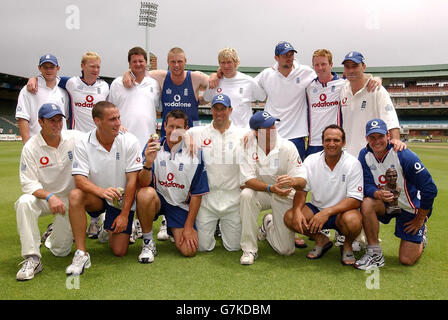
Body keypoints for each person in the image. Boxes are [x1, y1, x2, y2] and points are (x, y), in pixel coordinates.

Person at [25, 52, 110, 238]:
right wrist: (33, 78)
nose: (95, 70)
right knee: (78, 183)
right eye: (91, 66)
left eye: (98, 66)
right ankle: (80, 224)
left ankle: (101, 219)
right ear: (82, 66)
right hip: (77, 142)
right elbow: (50, 75)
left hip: (99, 140)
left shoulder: (105, 86)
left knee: (99, 179)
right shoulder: (70, 83)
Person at [65, 101, 151, 275]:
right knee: (75, 195)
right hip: (98, 197)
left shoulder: (129, 140)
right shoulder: (83, 142)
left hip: (120, 201)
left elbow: (132, 182)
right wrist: (101, 192)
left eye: (118, 118)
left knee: (119, 251)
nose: (118, 123)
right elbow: (80, 180)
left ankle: (108, 227)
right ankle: (81, 253)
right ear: (97, 121)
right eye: (112, 119)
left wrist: (125, 215)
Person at [355, 118, 438, 270]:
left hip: (409, 205)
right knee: (367, 202)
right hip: (385, 203)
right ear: (367, 138)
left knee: (406, 259)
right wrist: (377, 193)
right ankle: (375, 254)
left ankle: (421, 234)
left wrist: (420, 218)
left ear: (388, 136)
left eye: (380, 136)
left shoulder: (403, 155)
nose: (376, 141)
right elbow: (365, 184)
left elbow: (429, 188)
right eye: (372, 137)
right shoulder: (364, 155)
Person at [15, 103, 81, 280]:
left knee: (61, 252)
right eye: (52, 121)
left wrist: (118, 128)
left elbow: (97, 136)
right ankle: (32, 257)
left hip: (68, 202)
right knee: (24, 202)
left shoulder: (74, 137)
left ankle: (52, 237)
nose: (57, 124)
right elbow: (28, 183)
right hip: (45, 199)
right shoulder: (31, 147)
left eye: (60, 120)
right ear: (40, 122)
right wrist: (49, 196)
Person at [284, 125, 364, 265]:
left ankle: (347, 245)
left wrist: (327, 212)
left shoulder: (353, 163)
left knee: (354, 221)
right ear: (322, 142)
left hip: (342, 213)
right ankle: (321, 240)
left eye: (336, 140)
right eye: (327, 140)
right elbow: (302, 191)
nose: (331, 144)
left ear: (343, 143)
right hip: (317, 208)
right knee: (290, 217)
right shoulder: (311, 160)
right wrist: (297, 211)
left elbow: (355, 200)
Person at [136, 109, 209, 257]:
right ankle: (148, 242)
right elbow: (143, 182)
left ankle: (172, 228)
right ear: (164, 126)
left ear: (186, 130)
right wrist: (148, 163)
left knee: (189, 251)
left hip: (179, 205)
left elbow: (197, 194)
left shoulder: (196, 154)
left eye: (179, 128)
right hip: (158, 200)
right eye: (171, 126)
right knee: (144, 194)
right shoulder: (153, 147)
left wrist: (188, 226)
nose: (174, 131)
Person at [239, 111, 307, 265]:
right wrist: (270, 188)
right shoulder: (248, 145)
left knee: (286, 250)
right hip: (262, 192)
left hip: (284, 193)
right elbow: (247, 180)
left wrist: (293, 180)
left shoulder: (287, 146)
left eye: (273, 125)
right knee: (246, 195)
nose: (273, 129)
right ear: (256, 132)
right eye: (267, 128)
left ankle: (267, 223)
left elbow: (303, 181)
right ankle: (249, 250)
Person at [187, 94, 248, 252]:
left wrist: (254, 136)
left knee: (234, 247)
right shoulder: (198, 132)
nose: (219, 112)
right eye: (216, 108)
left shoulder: (243, 134)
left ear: (230, 110)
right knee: (201, 247)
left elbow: (264, 138)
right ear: (211, 109)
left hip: (232, 198)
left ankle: (265, 224)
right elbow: (180, 133)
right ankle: (214, 227)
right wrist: (188, 140)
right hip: (207, 198)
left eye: (223, 109)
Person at [123, 47, 210, 137]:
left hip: (191, 138)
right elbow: (140, 71)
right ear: (168, 62)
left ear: (185, 61)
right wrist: (128, 72)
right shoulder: (161, 77)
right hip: (168, 138)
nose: (176, 65)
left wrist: (204, 99)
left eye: (179, 61)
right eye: (173, 62)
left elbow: (215, 82)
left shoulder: (195, 77)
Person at [253, 41, 316, 161]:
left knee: (295, 175)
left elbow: (326, 79)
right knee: (266, 174)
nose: (289, 58)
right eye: (285, 55)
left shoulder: (305, 72)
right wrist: (218, 75)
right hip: (270, 134)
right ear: (276, 58)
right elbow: (247, 86)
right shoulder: (266, 74)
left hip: (296, 135)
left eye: (291, 54)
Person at [339, 51, 405, 157]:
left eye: (355, 66)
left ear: (363, 67)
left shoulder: (377, 90)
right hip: (348, 155)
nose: (351, 70)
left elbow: (390, 117)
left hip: (371, 154)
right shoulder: (342, 89)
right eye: (347, 67)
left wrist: (396, 140)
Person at [203, 48, 266, 129]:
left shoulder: (248, 81)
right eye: (223, 62)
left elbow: (263, 97)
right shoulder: (214, 82)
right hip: (221, 133)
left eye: (229, 62)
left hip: (243, 134)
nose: (226, 66)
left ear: (236, 63)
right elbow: (205, 99)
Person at [16, 54, 68, 144]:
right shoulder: (28, 89)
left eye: (52, 67)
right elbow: (22, 118)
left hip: (61, 144)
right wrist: (27, 145)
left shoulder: (65, 89)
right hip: (37, 144)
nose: (49, 70)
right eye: (45, 67)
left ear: (58, 68)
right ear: (39, 68)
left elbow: (67, 117)